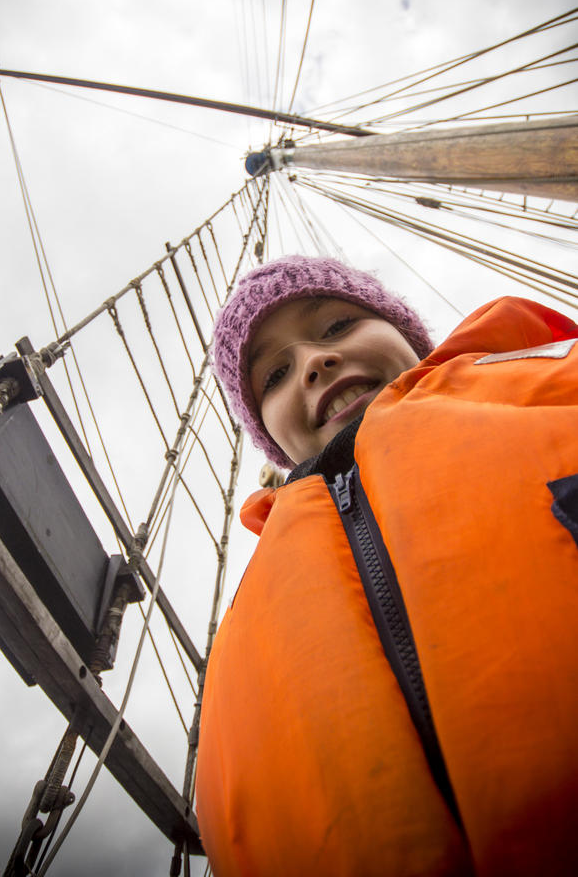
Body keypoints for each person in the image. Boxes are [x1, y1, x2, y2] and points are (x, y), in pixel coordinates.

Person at [194, 255, 578, 877]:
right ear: (267, 432)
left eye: (338, 326)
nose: (314, 362)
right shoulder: (248, 622)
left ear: (406, 336)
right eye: (274, 375)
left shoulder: (551, 382)